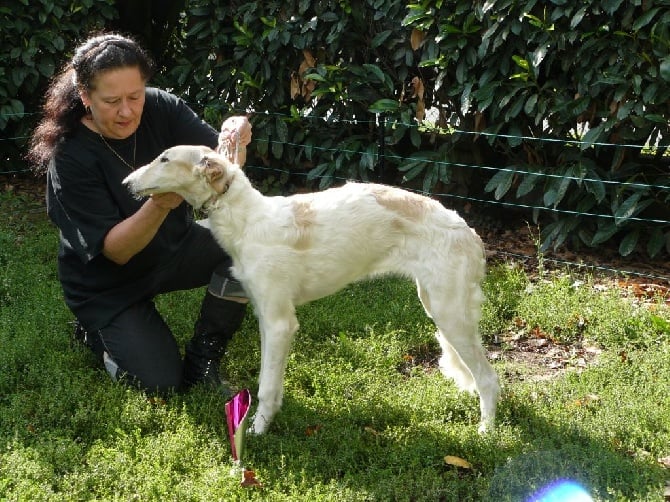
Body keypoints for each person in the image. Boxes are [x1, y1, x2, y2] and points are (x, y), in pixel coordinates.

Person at [27, 32, 252, 396]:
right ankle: (95, 334)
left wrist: (234, 139)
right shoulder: (69, 158)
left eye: (135, 96)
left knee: (247, 241)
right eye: (112, 101)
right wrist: (161, 201)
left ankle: (204, 359)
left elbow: (224, 168)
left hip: (173, 248)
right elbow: (118, 251)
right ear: (85, 97)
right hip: (108, 284)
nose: (128, 111)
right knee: (159, 384)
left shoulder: (160, 107)